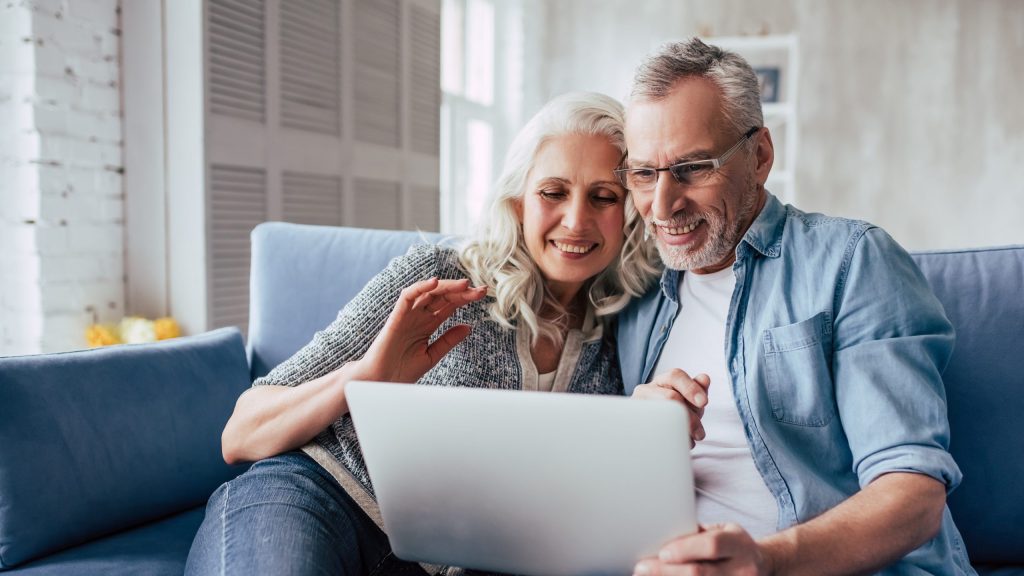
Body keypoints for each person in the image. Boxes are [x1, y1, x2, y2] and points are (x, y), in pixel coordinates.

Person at [184, 91, 660, 576]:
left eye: (604, 197)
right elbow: (241, 432)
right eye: (553, 192)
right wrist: (366, 376)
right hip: (316, 498)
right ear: (518, 203)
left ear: (629, 214)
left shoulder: (626, 331)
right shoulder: (439, 275)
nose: (576, 220)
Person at [615, 39, 975, 575]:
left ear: (759, 156)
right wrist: (637, 438)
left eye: (692, 168)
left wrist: (765, 562)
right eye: (644, 174)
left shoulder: (851, 261)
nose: (662, 206)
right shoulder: (634, 294)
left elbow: (913, 494)